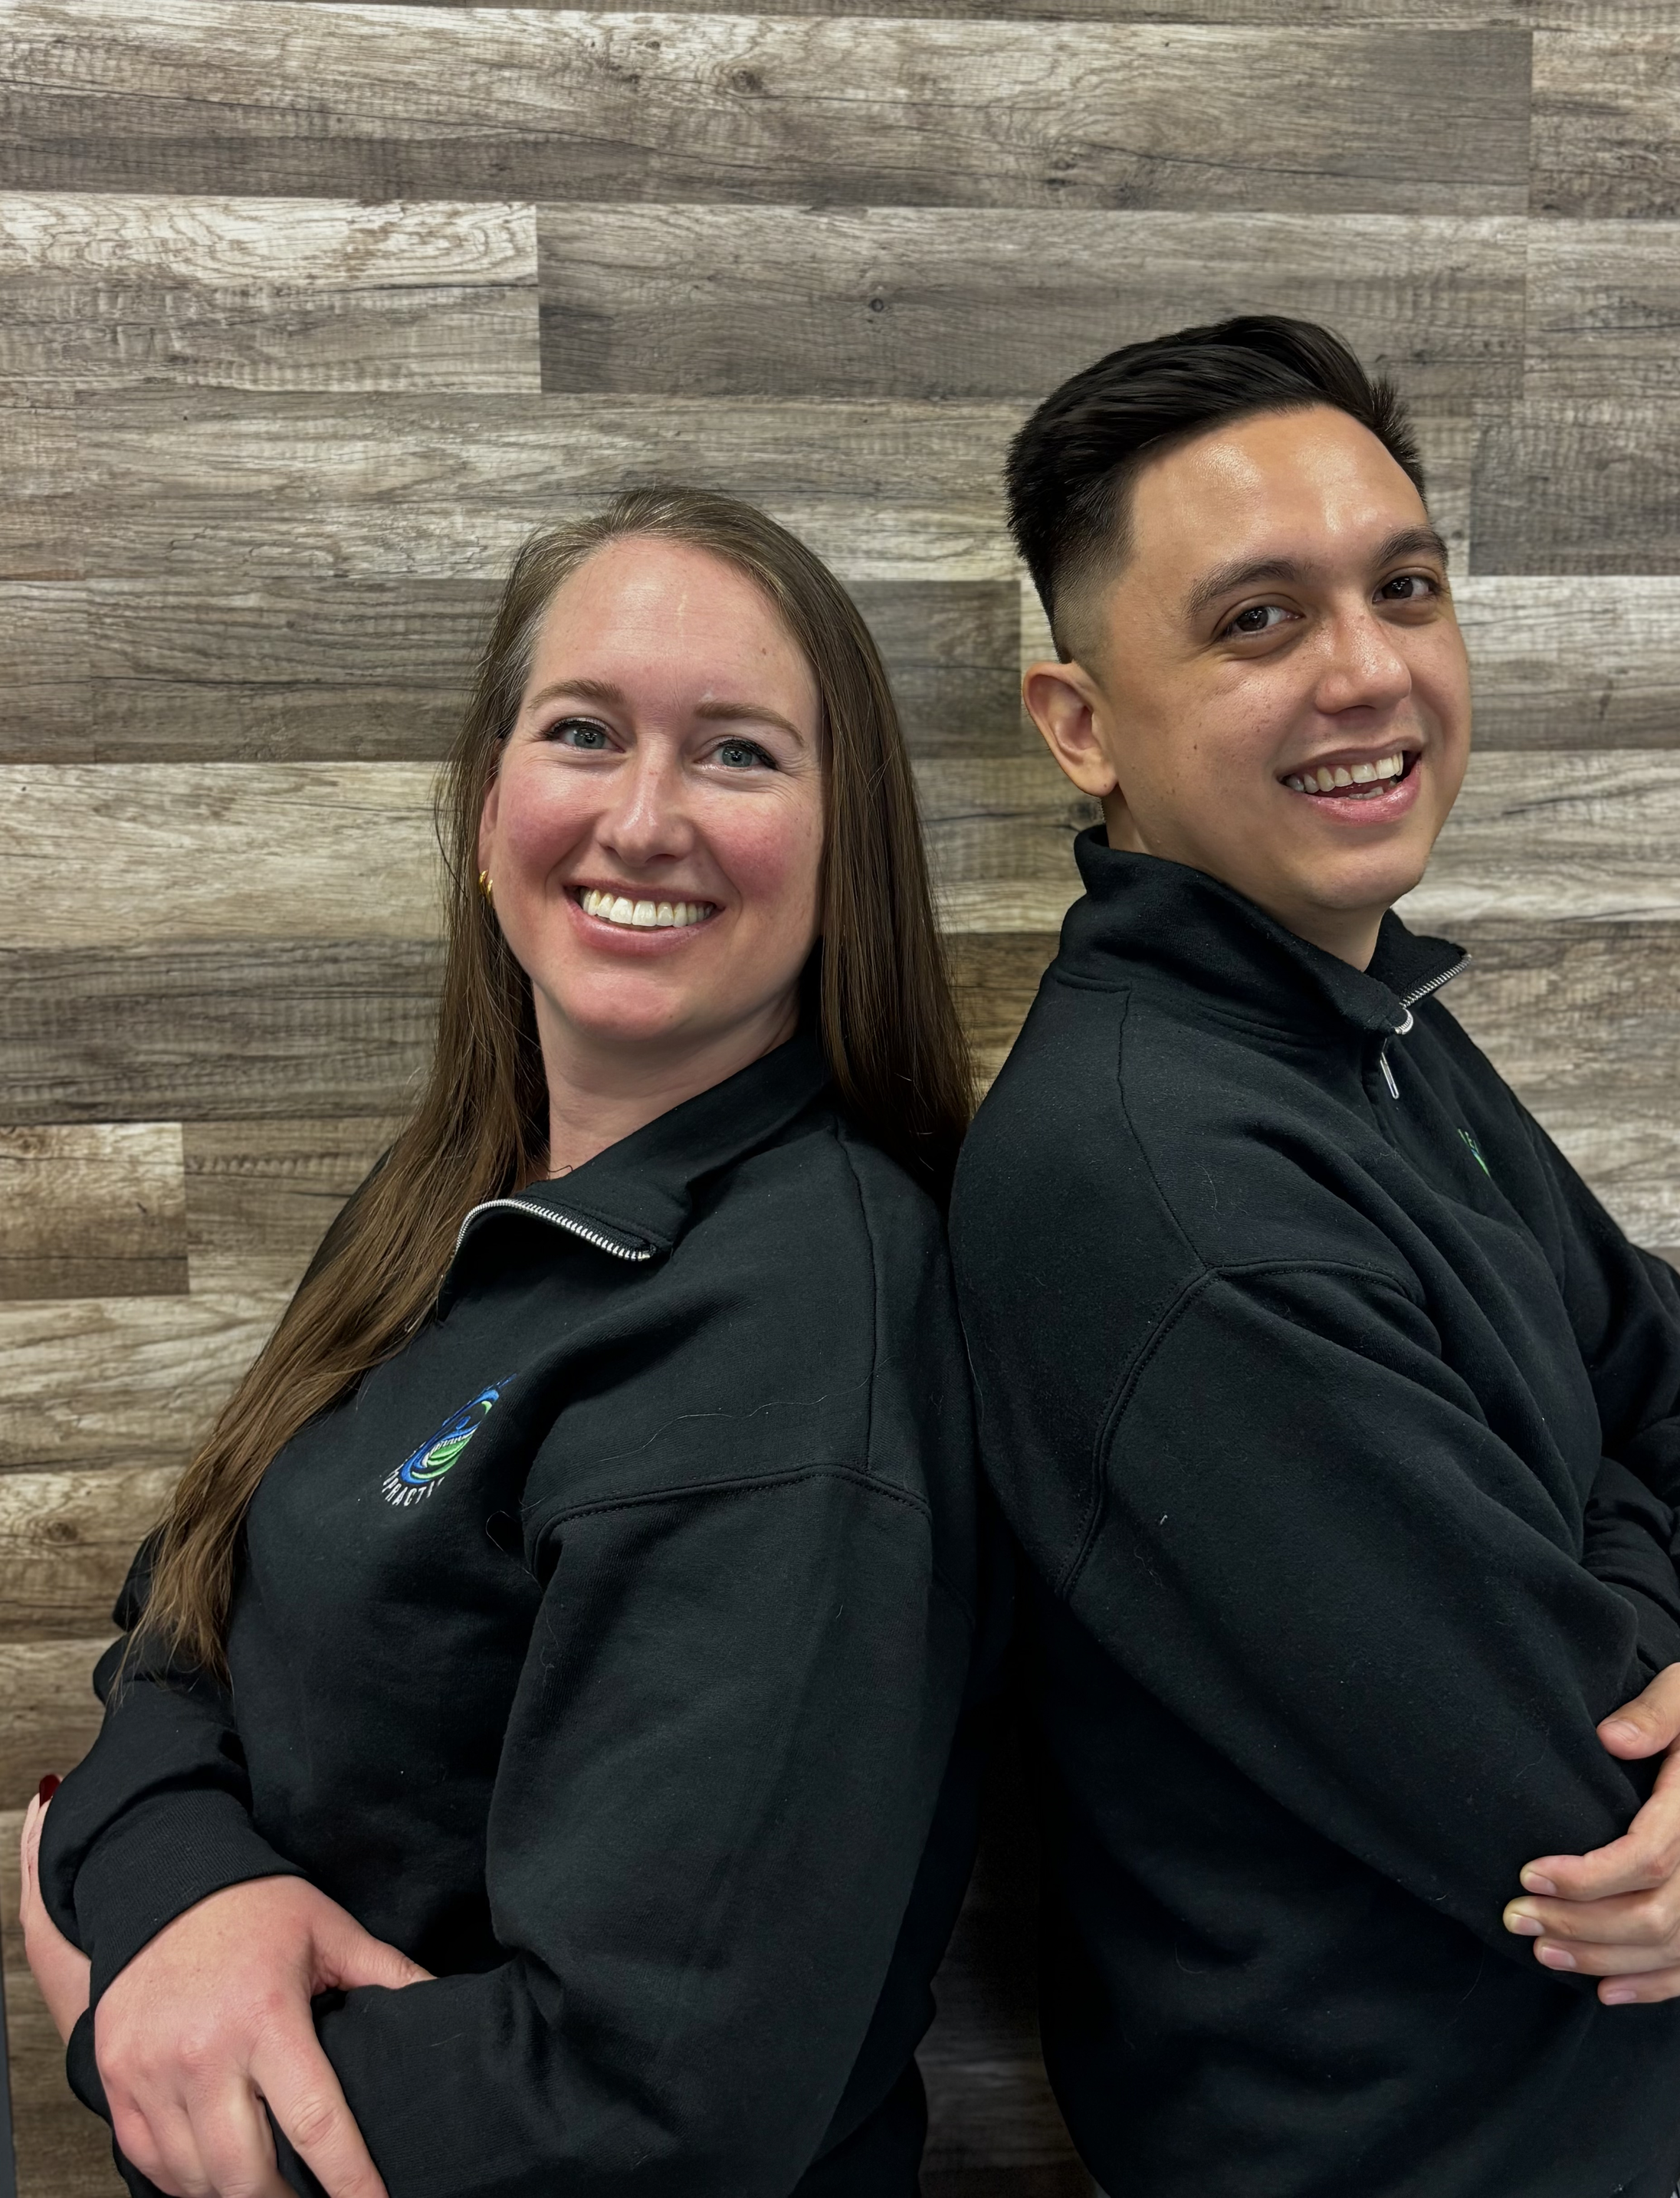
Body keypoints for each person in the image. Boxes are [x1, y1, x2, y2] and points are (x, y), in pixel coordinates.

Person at [948, 318, 1680, 2197]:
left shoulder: (1353, 1015)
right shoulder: (1159, 1193)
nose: (1368, 671)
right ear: (1079, 725)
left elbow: (1673, 1376)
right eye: (1254, 622)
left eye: (1404, 587)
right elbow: (1597, 1804)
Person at [21, 484, 998, 2198]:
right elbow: (180, 1627)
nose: (642, 816)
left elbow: (648, 2121)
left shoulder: (792, 1330)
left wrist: (132, 2022)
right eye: (582, 732)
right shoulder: (449, 1199)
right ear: (487, 811)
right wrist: (182, 1881)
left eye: (739, 754)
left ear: (846, 848)